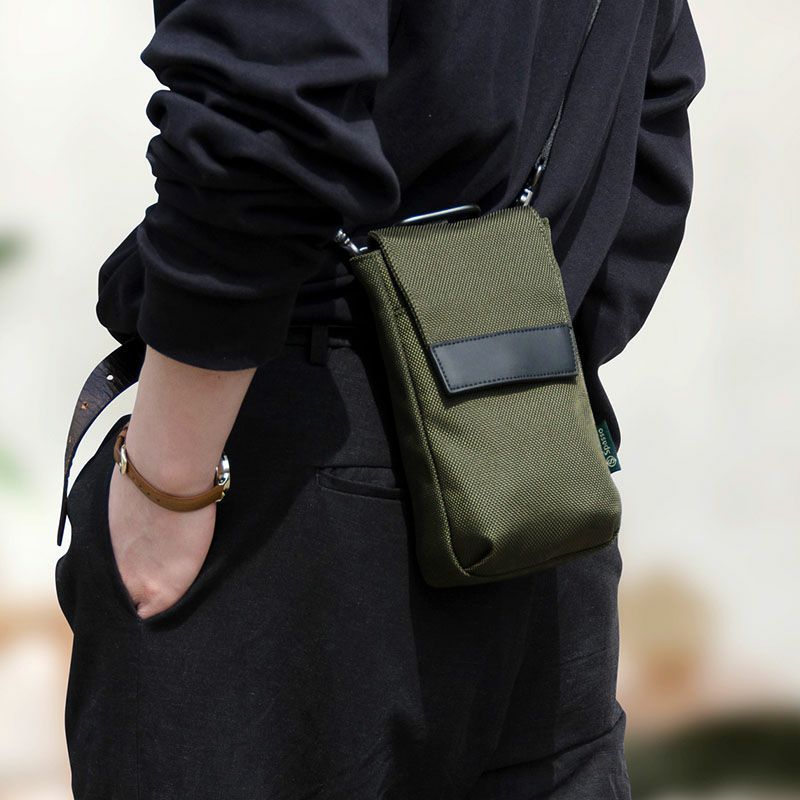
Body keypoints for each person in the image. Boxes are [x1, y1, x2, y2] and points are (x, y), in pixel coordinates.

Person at [54, 0, 705, 797]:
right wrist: (518, 354)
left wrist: (168, 479)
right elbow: (655, 105)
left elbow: (272, 104)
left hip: (286, 488)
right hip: (529, 483)